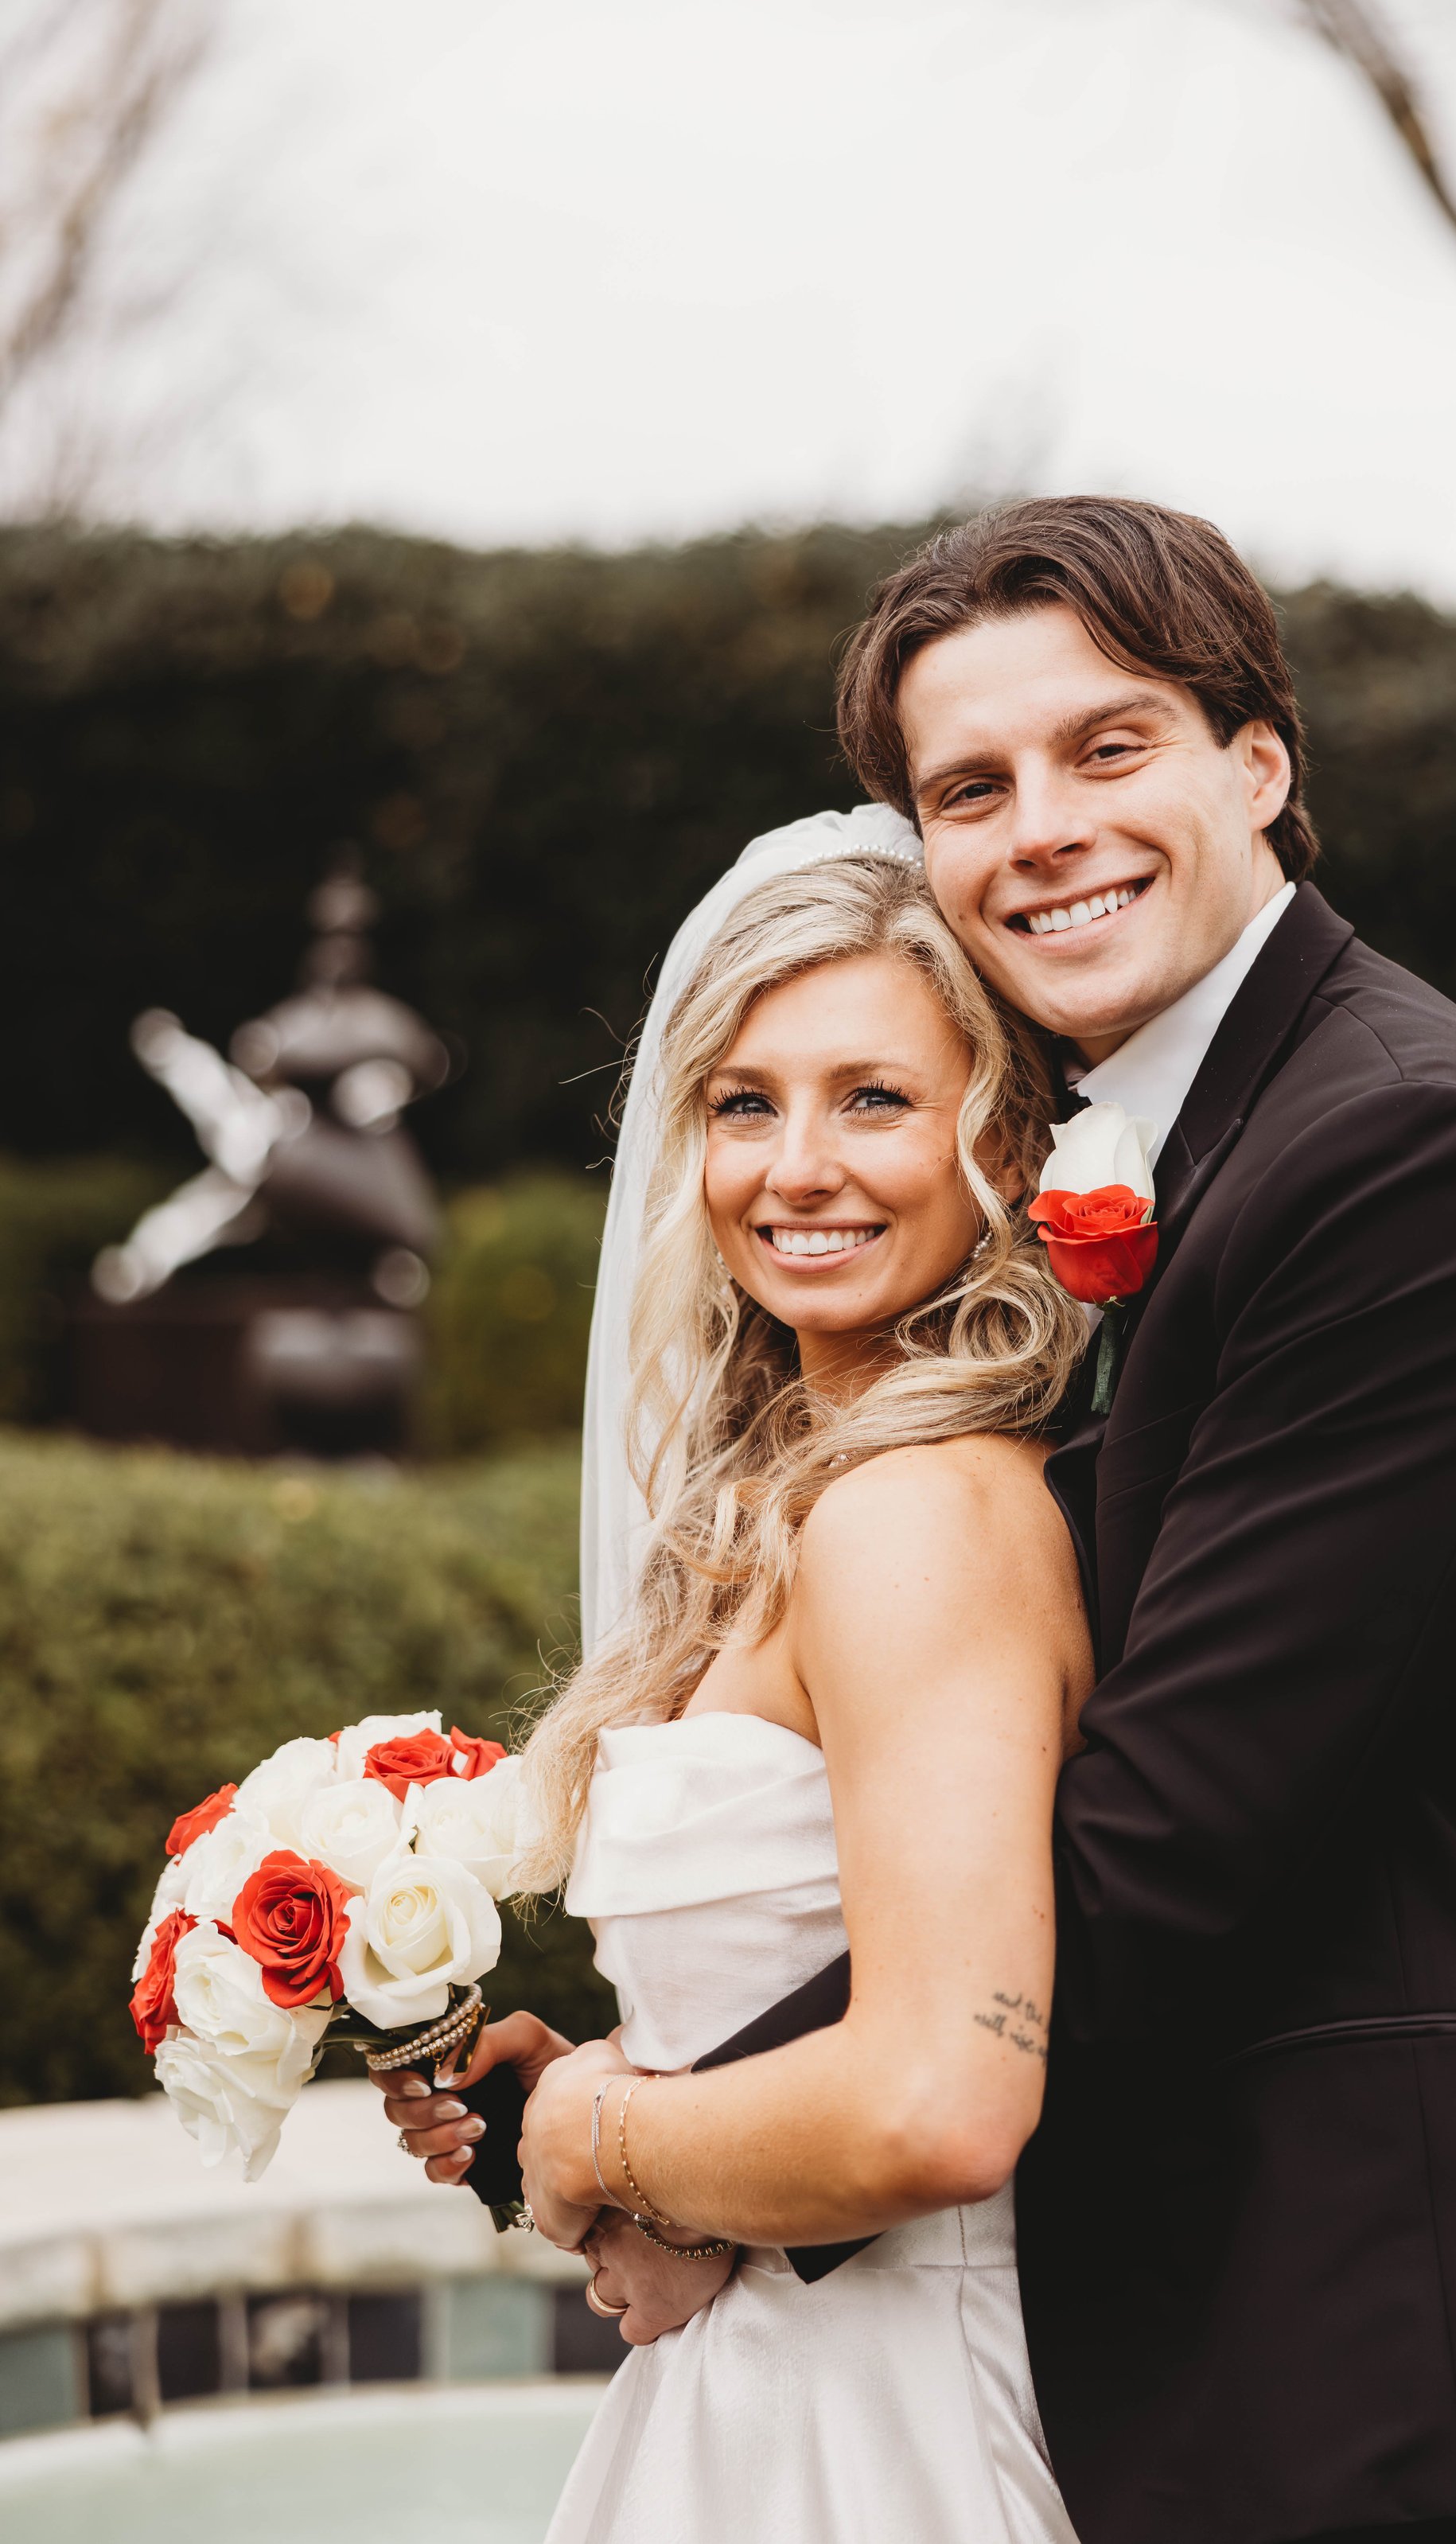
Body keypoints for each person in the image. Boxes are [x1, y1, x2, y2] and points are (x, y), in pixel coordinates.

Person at [395, 494, 1456, 2543]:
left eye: (1105, 749)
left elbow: (1153, 1849)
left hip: (1396, 2341)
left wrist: (637, 2141)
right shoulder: (1170, 1139)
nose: (1042, 830)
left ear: (1256, 760)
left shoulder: (1402, 1158)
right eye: (970, 787)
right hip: (1212, 2332)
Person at [390, 846, 1094, 2540]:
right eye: (743, 1104)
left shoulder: (919, 1515)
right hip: (757, 2378)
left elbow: (939, 2104)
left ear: (1002, 1143)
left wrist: (599, 2136)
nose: (796, 1168)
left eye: (874, 1098)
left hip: (883, 2426)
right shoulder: (797, 1496)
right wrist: (612, 2081)